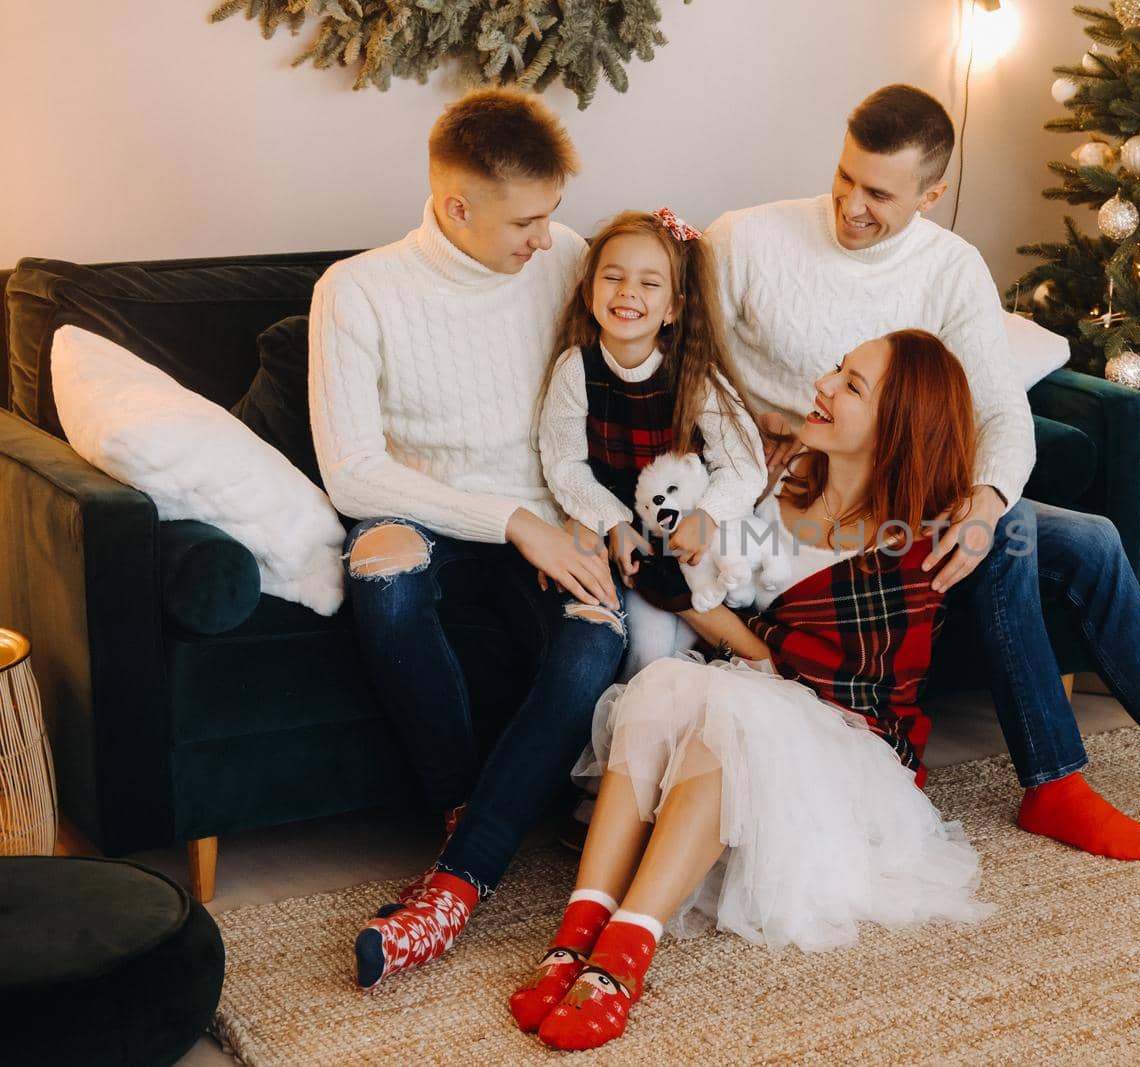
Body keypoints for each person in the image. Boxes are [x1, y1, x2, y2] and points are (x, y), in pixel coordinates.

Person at [677, 83, 1140, 862]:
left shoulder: (950, 267)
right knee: (1019, 532)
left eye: (880, 193)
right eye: (846, 177)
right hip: (807, 511)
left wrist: (986, 499)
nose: (852, 205)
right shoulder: (747, 241)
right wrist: (748, 426)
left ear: (933, 193)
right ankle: (1053, 782)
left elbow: (1000, 407)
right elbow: (682, 364)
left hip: (896, 499)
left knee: (1082, 536)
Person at [508, 331, 993, 1051]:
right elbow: (696, 585)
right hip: (753, 703)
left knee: (727, 711)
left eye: (852, 385)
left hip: (848, 753)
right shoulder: (777, 479)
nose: (823, 384)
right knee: (664, 689)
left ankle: (623, 954)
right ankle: (576, 930)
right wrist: (748, 642)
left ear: (897, 427)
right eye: (837, 365)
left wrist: (758, 657)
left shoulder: (914, 548)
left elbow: (863, 684)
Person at [307, 89, 626, 991]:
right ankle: (465, 811)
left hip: (548, 508)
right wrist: (512, 522)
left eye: (553, 213)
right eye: (526, 219)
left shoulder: (564, 258)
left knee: (602, 632)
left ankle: (454, 884)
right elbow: (353, 471)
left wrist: (570, 513)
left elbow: (648, 352)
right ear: (456, 207)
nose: (547, 237)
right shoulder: (358, 289)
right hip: (427, 513)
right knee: (382, 571)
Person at [537, 207, 765, 619]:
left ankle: (746, 649)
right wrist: (611, 522)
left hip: (688, 519)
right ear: (589, 294)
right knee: (646, 640)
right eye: (613, 277)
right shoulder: (576, 367)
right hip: (622, 518)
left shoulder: (694, 376)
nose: (627, 292)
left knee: (700, 593)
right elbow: (564, 463)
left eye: (649, 283)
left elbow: (744, 465)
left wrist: (707, 516)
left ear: (673, 308)